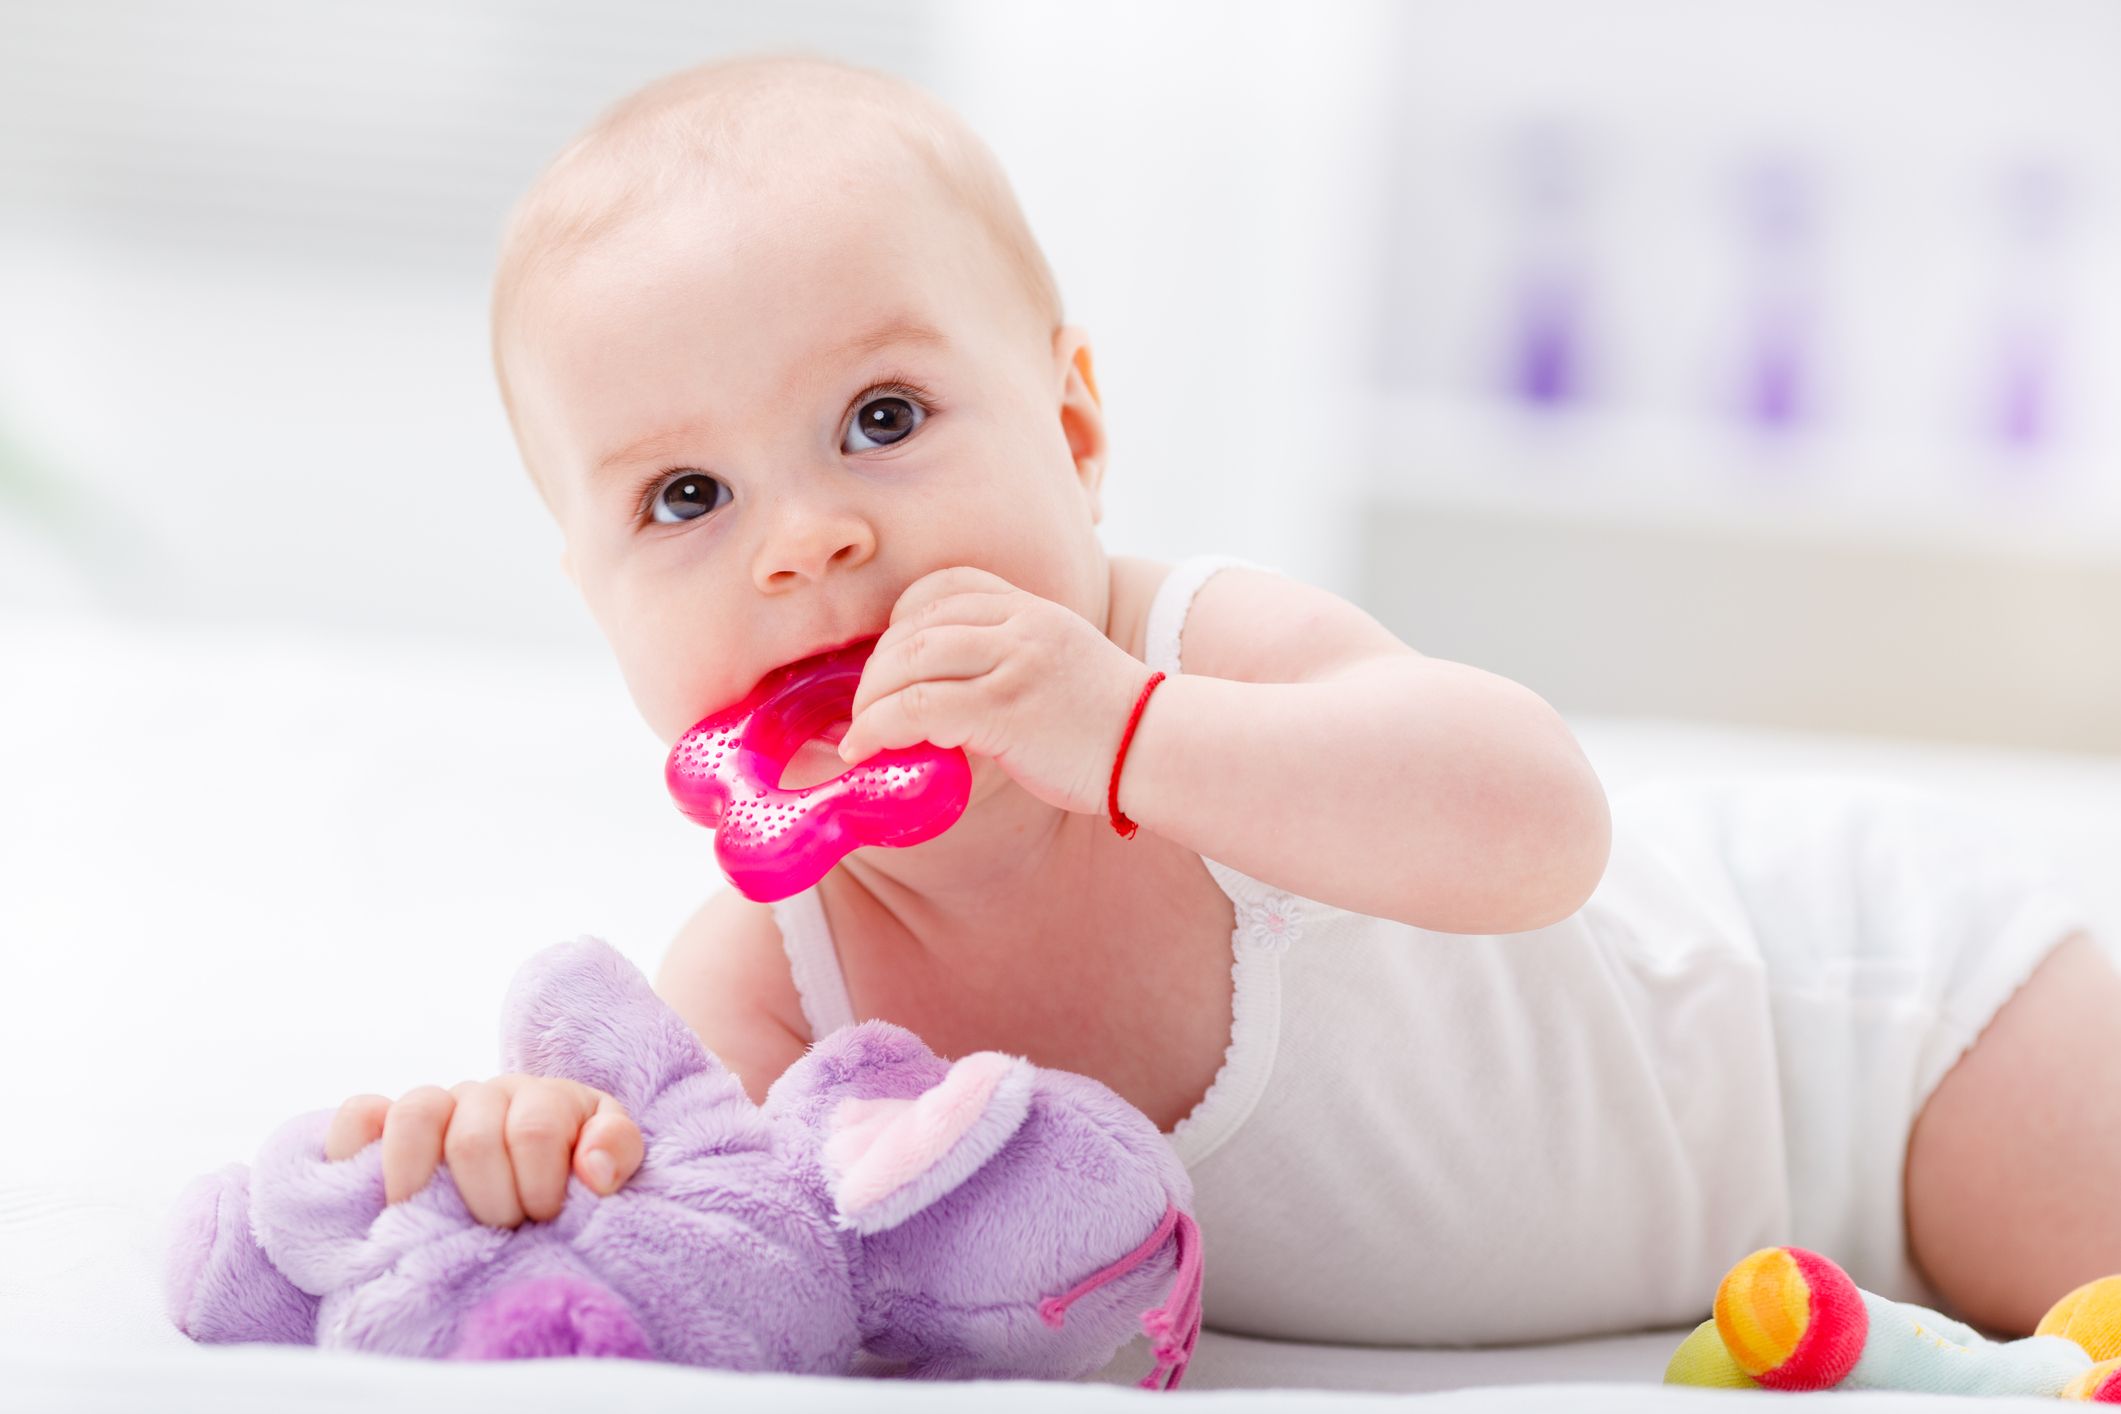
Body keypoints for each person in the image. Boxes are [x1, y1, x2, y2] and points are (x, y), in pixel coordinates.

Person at [322, 52, 2116, 1345]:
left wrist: (1127, 735)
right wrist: (543, 1156)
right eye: (683, 501)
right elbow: (721, 1253)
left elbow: (1539, 822)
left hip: (1850, 1039)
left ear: (1074, 431)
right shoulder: (769, 971)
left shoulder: (1200, 652)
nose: (809, 541)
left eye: (880, 418)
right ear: (595, 599)